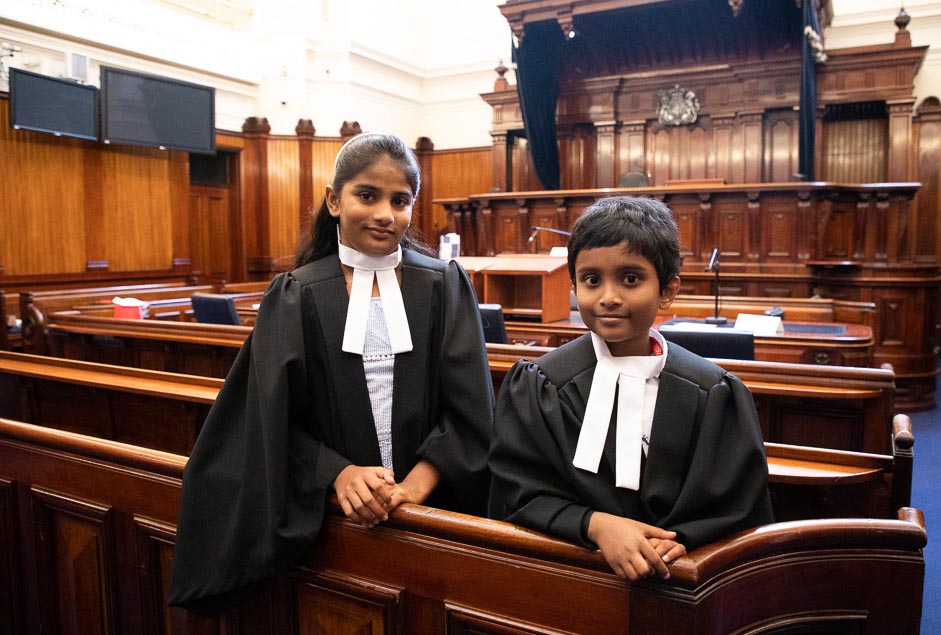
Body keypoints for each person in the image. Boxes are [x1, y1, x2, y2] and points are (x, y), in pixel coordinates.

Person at [170, 133, 494, 613]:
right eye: (368, 195)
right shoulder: (296, 294)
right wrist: (338, 475)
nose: (385, 213)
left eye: (400, 200)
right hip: (331, 522)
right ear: (333, 200)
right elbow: (268, 416)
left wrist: (413, 488)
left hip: (433, 515)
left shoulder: (443, 286)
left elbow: (472, 411)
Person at [489, 195, 773, 581]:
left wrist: (683, 539)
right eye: (592, 280)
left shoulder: (714, 392)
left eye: (630, 279)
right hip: (569, 574)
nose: (608, 297)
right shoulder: (540, 384)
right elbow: (516, 492)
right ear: (574, 285)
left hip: (677, 580)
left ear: (668, 289)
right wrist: (595, 524)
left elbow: (737, 507)